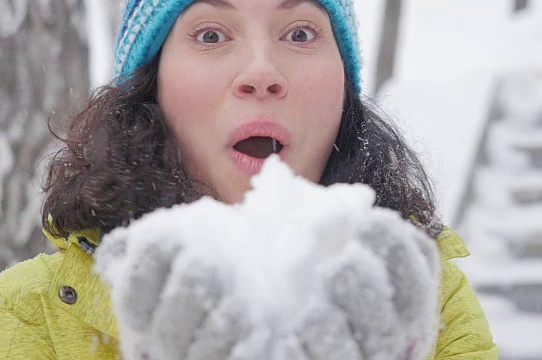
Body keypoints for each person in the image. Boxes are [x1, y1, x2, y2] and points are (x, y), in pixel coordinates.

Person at [0, 0, 498, 358]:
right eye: (212, 34)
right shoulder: (29, 315)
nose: (261, 72)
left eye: (299, 33)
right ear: (150, 87)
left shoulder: (427, 302)